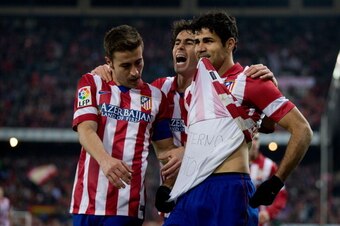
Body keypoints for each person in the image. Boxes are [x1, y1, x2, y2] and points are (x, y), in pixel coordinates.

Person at [92, 19, 278, 214]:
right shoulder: (159, 90)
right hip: (174, 195)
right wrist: (105, 72)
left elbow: (266, 126)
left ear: (200, 51)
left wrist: (270, 88)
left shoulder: (224, 89)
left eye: (189, 42)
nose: (180, 46)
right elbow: (128, 89)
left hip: (213, 189)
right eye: (176, 42)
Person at [162, 10, 312, 226]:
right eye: (197, 41)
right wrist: (169, 185)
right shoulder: (193, 89)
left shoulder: (251, 80)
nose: (200, 47)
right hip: (191, 189)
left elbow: (302, 130)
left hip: (229, 189)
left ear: (230, 43)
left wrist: (277, 182)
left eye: (208, 41)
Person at [69, 24, 183, 226]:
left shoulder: (157, 98)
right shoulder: (91, 83)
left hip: (126, 207)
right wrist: (106, 161)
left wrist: (171, 180)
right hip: (86, 202)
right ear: (109, 62)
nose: (135, 72)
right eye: (125, 65)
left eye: (138, 62)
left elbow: (165, 152)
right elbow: (85, 130)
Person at [249, 134, 288, 226]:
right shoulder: (234, 166)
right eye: (251, 139)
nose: (254, 143)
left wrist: (269, 213)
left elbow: (281, 194)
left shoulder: (269, 165)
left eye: (256, 139)